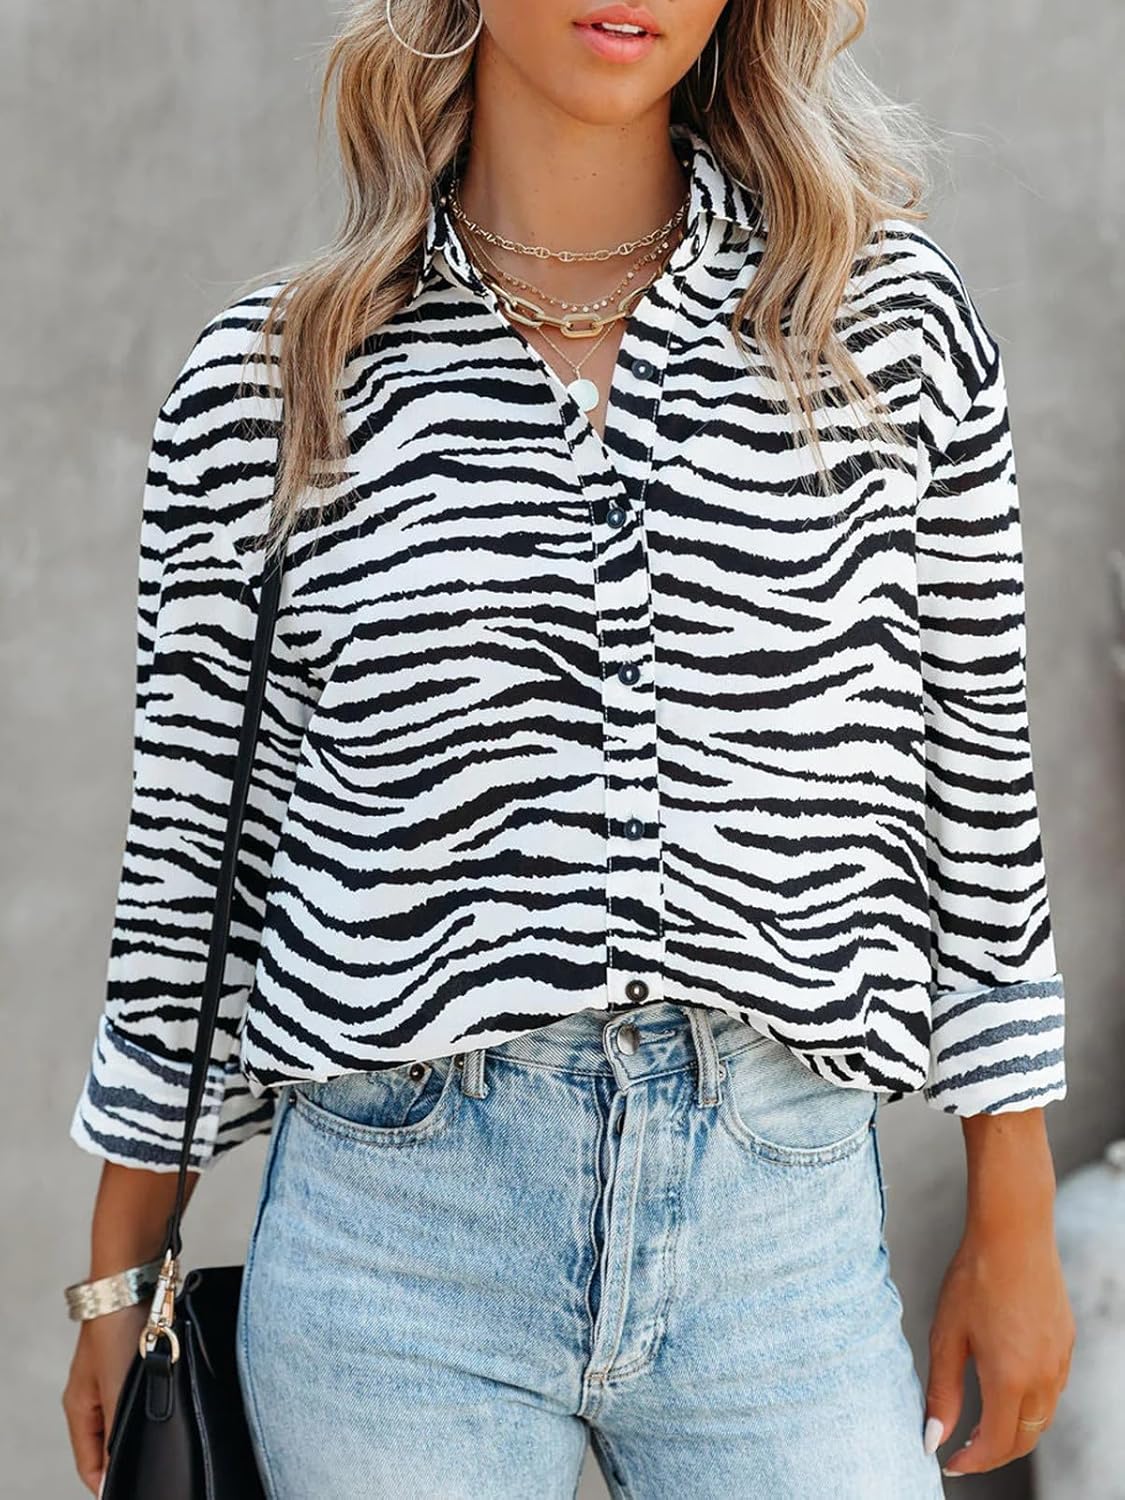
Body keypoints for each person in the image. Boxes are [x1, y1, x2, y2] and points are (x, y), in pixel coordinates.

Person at [61, 1, 1076, 1495]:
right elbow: (192, 868)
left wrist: (1014, 1211)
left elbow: (976, 790)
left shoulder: (884, 332)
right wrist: (118, 1274)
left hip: (779, 1233)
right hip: (394, 1246)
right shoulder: (272, 381)